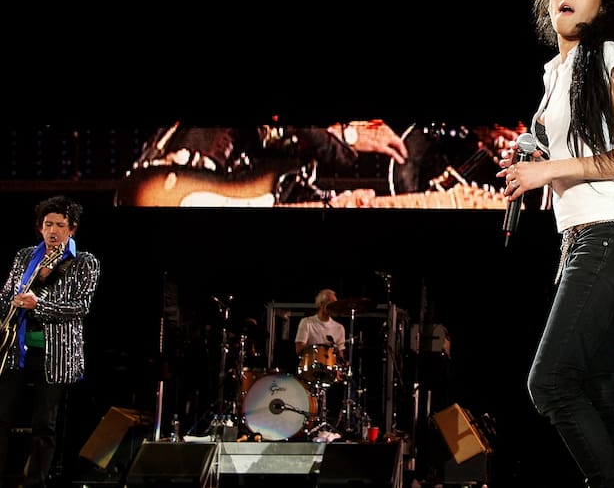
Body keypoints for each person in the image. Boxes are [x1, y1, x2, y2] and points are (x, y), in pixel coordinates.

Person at [500, 0, 614, 488]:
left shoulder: (607, 55)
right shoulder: (554, 73)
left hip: (610, 233)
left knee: (550, 384)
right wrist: (536, 161)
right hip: (578, 239)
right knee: (596, 395)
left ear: (604, 2)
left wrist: (549, 172)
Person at [0, 196, 102, 488]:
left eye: (60, 225)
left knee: (44, 424)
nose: (53, 230)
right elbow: (5, 294)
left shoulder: (84, 262)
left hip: (55, 353)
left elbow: (81, 306)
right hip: (16, 349)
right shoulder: (25, 256)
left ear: (72, 229)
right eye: (48, 224)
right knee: (2, 415)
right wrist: (10, 305)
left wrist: (39, 305)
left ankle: (36, 482)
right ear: (40, 227)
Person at [117, 119, 412, 206]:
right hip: (172, 187)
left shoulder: (285, 155)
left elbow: (274, 189)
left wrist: (335, 202)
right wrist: (346, 134)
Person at [294, 288, 348, 433]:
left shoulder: (339, 328)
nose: (334, 307)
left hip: (330, 370)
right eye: (331, 303)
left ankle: (334, 426)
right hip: (310, 368)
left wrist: (342, 364)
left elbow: (340, 354)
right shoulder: (307, 322)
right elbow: (299, 349)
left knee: (345, 386)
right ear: (321, 304)